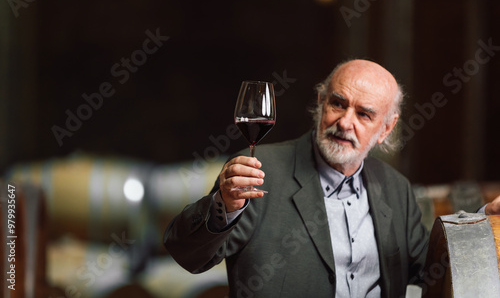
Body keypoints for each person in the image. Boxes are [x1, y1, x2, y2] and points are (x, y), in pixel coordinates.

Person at [164, 59, 500, 298]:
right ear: (321, 102)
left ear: (386, 129)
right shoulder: (261, 169)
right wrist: (224, 204)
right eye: (338, 104)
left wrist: (480, 228)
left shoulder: (395, 187)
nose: (345, 122)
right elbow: (187, 255)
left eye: (364, 114)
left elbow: (432, 269)